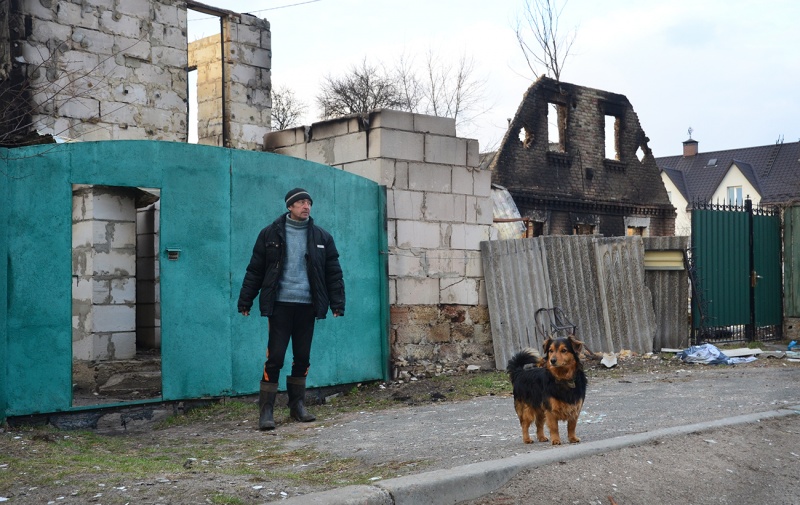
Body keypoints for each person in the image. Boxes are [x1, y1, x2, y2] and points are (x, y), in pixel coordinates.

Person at [237, 188, 345, 431]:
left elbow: (333, 272)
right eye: (300, 203)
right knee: (275, 357)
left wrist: (337, 303)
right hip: (280, 305)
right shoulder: (270, 234)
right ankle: (266, 410)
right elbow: (255, 269)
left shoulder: (321, 236)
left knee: (303, 357)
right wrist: (246, 300)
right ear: (290, 206)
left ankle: (297, 406)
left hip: (307, 306)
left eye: (308, 202)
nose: (306, 206)